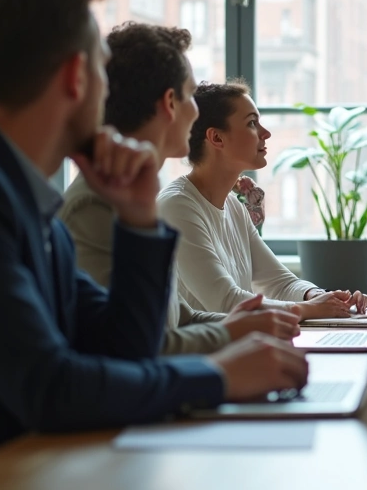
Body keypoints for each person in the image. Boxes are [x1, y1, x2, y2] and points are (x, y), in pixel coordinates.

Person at [0, 0, 308, 489]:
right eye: (102, 67)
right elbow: (50, 387)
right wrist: (219, 376)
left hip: (24, 477)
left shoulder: (17, 191)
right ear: (76, 76)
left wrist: (140, 220)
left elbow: (124, 348)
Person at [58, 22, 301, 353]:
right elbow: (136, 346)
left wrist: (244, 325)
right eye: (190, 95)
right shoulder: (96, 205)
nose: (197, 112)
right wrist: (231, 340)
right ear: (170, 104)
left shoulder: (135, 195)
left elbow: (176, 318)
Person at [158, 81, 367, 317]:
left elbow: (280, 283)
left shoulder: (234, 207)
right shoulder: (177, 206)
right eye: (251, 123)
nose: (266, 133)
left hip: (236, 346)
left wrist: (323, 297)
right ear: (216, 138)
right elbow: (226, 301)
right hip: (203, 351)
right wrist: (308, 309)